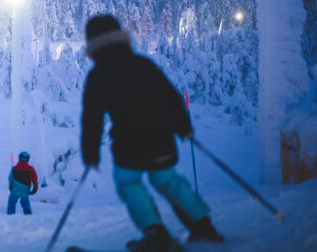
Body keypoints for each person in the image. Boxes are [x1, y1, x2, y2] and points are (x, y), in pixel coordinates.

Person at [80, 15, 223, 252]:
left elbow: (92, 118)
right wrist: (183, 128)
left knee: (129, 183)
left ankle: (155, 234)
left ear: (92, 44)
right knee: (168, 181)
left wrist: (90, 153)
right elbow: (171, 97)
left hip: (129, 147)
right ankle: (203, 226)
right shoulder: (143, 64)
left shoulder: (98, 75)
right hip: (162, 142)